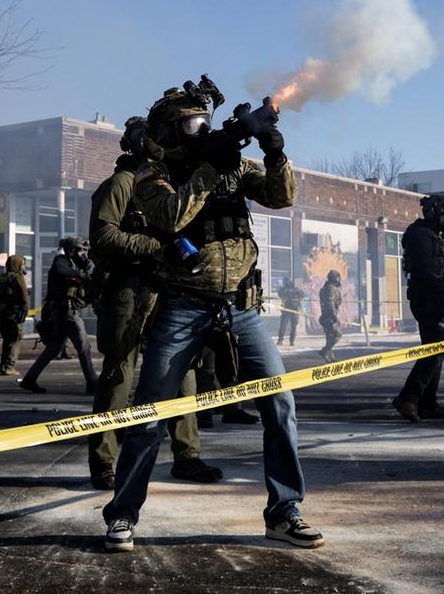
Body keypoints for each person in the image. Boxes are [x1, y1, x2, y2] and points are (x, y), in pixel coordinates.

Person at [103, 80, 321, 552]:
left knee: (280, 405)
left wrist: (275, 152)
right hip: (182, 306)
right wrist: (206, 169)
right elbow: (170, 217)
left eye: (204, 123)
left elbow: (280, 196)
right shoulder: (152, 174)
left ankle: (284, 511)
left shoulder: (231, 166)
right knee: (151, 412)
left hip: (240, 306)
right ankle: (122, 515)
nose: (201, 130)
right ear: (169, 130)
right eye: (191, 124)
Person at [86, 115, 221, 491]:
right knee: (118, 376)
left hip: (170, 289)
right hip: (129, 290)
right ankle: (103, 461)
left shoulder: (167, 184)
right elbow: (102, 237)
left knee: (182, 373)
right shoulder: (122, 184)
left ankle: (187, 455)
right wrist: (156, 249)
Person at [392, 195, 444, 422]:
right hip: (429, 299)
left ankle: (428, 403)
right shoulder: (420, 235)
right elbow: (428, 271)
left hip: (437, 299)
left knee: (436, 353)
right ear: (434, 213)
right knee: (432, 353)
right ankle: (408, 398)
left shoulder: (434, 235)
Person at [19, 237, 97, 394]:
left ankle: (29, 379)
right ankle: (92, 383)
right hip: (67, 312)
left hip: (63, 313)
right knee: (84, 347)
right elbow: (63, 271)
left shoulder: (72, 263)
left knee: (54, 348)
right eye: (81, 251)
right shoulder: (61, 261)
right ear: (71, 251)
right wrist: (81, 275)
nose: (83, 254)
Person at [0, 254, 30, 376]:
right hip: (14, 314)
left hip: (3, 314)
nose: (23, 267)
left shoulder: (1, 278)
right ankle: (9, 367)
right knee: (15, 339)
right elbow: (24, 298)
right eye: (22, 264)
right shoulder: (18, 278)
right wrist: (25, 310)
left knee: (7, 340)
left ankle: (3, 366)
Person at [318, 270, 343, 363]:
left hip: (328, 316)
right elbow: (330, 302)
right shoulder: (330, 288)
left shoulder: (328, 287)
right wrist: (333, 315)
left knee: (330, 336)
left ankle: (330, 356)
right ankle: (324, 351)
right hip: (329, 316)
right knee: (337, 334)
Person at [275, 278, 303, 346]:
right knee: (292, 327)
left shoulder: (284, 290)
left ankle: (281, 341)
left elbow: (279, 294)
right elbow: (303, 295)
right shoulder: (296, 289)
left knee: (284, 326)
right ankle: (291, 341)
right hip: (292, 310)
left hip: (288, 310)